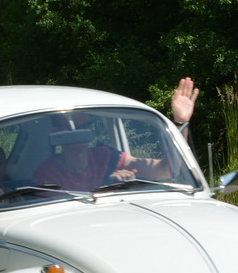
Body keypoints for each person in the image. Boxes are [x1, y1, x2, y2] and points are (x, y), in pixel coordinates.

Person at [31, 78, 198, 192]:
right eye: (73, 125)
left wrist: (180, 122)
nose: (82, 131)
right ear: (56, 132)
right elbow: (63, 219)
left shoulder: (105, 157)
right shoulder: (47, 173)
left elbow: (166, 170)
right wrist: (109, 185)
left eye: (85, 125)